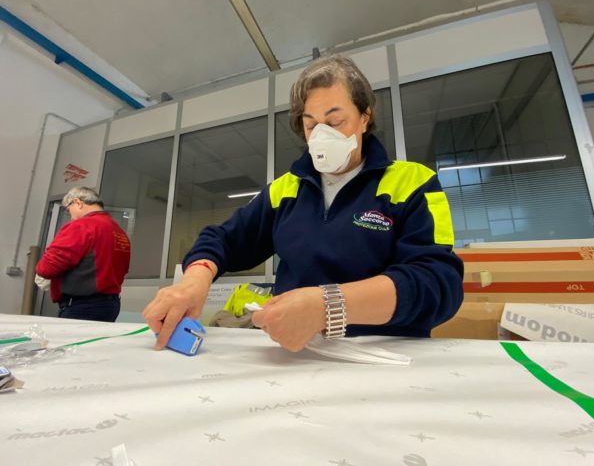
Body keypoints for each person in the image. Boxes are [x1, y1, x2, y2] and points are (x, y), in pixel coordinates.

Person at [143, 55, 464, 351]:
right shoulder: (287, 189)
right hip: (295, 358)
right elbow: (222, 239)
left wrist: (328, 305)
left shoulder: (414, 183)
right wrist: (195, 280)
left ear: (365, 117)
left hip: (385, 356)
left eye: (334, 122)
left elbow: (438, 283)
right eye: (311, 125)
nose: (321, 136)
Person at [35, 186, 131, 322]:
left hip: (82, 306)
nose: (70, 215)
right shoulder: (119, 231)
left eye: (69, 209)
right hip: (110, 305)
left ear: (78, 203)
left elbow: (46, 268)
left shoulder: (81, 226)